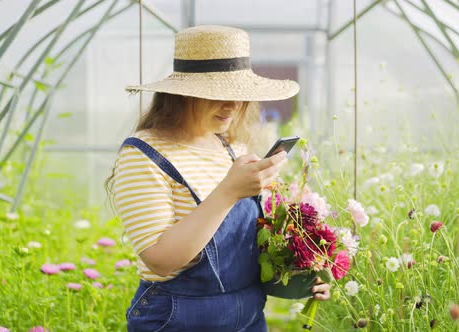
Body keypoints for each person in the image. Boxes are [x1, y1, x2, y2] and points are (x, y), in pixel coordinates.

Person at [108, 25, 330, 332]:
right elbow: (160, 258)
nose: (234, 105)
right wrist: (228, 192)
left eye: (239, 95)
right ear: (181, 94)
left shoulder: (228, 147)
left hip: (248, 316)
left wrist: (303, 274)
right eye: (220, 94)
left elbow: (248, 250)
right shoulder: (144, 154)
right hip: (178, 318)